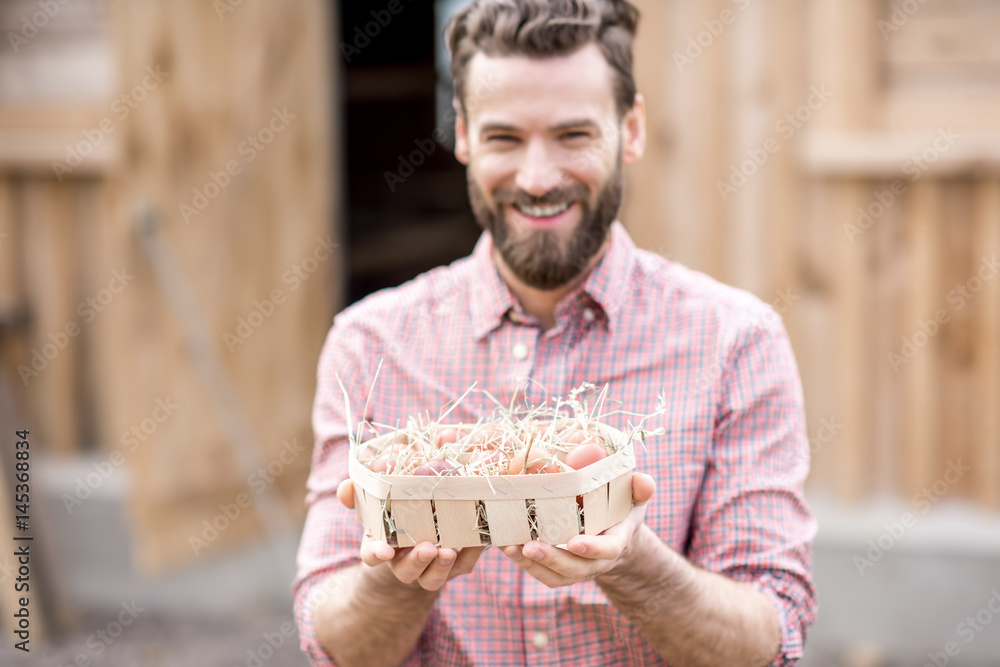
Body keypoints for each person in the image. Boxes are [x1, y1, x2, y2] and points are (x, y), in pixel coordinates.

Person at [293, 1, 817, 665]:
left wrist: (635, 564)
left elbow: (772, 640)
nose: (536, 179)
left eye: (573, 135)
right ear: (463, 135)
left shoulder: (737, 343)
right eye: (505, 138)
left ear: (631, 129)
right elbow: (329, 642)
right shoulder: (370, 344)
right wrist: (395, 575)